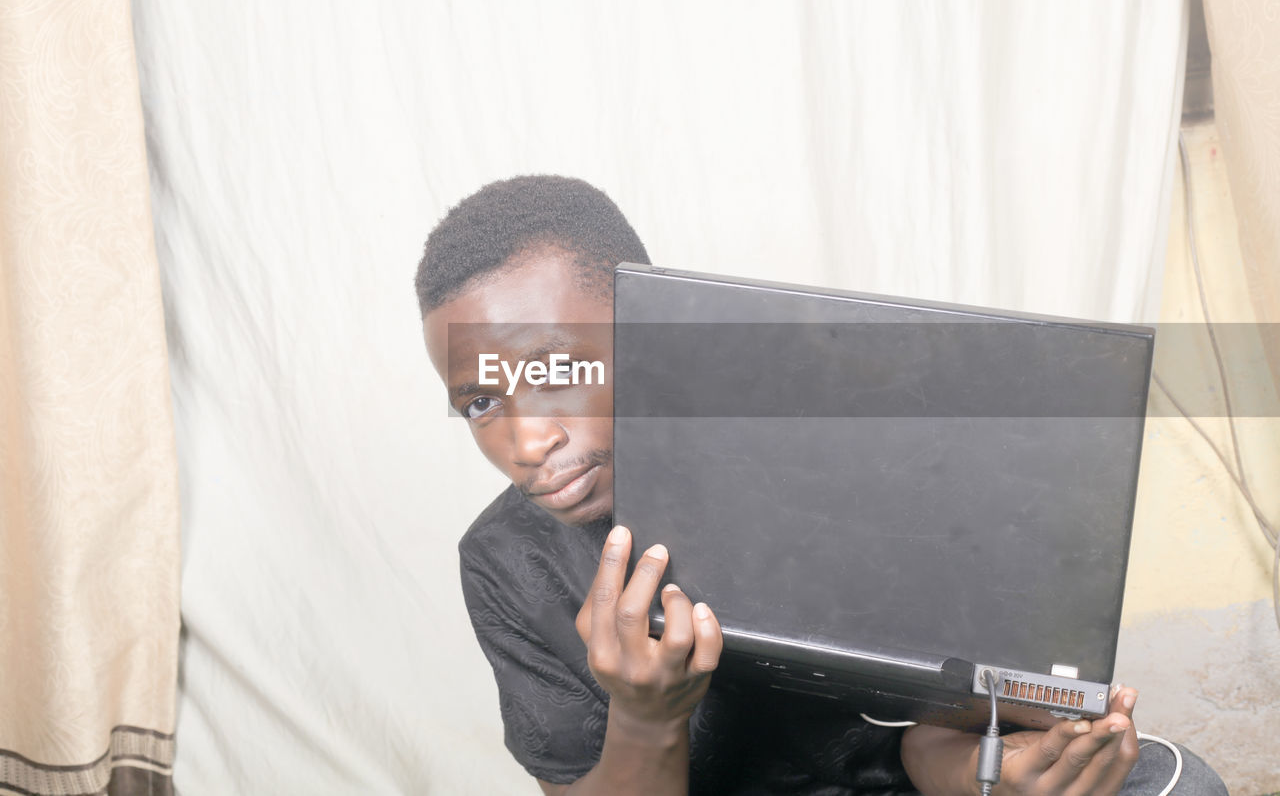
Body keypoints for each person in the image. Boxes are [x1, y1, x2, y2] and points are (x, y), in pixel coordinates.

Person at [416, 175, 1228, 795]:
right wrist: (645, 714)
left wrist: (1004, 769)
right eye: (482, 401)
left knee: (1178, 782)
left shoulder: (829, 443)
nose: (527, 439)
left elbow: (933, 727)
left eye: (559, 370)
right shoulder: (507, 564)